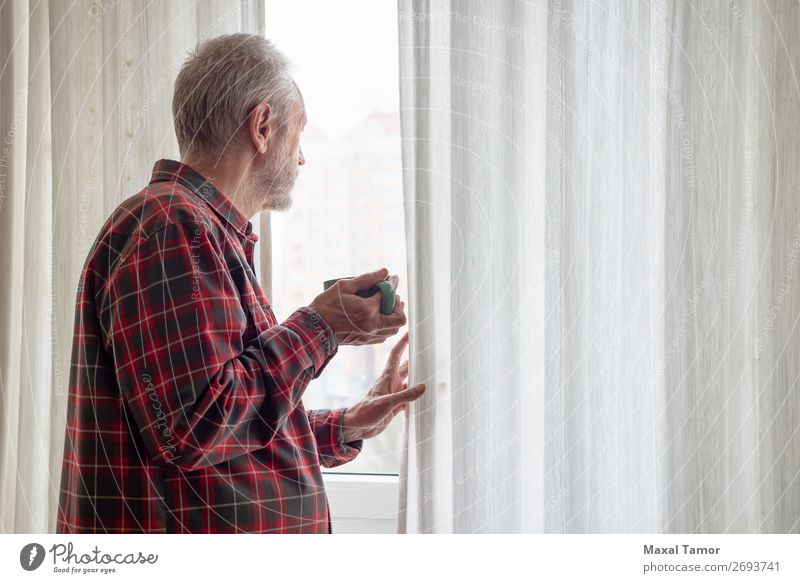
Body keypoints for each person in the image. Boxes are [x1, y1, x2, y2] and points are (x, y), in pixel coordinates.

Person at [57, 33, 426, 534]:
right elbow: (194, 427)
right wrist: (322, 326)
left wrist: (348, 424)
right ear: (263, 126)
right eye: (299, 136)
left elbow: (227, 432)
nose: (301, 160)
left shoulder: (196, 230)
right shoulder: (169, 225)